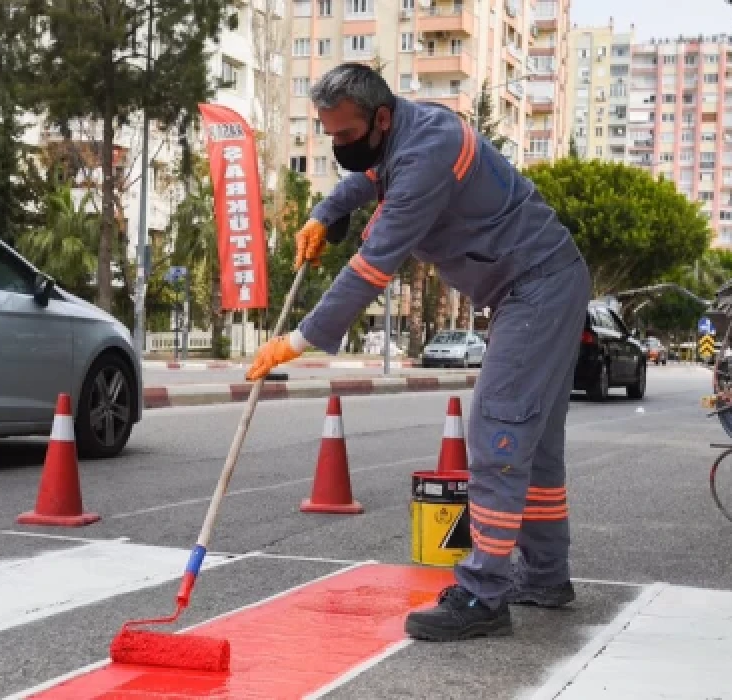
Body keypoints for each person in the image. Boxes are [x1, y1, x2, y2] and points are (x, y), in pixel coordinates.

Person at [244, 63, 592, 643]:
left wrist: (299, 340)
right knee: (535, 447)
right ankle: (547, 578)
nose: (338, 147)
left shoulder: (428, 153)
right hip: (541, 283)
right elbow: (368, 177)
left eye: (346, 136)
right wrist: (325, 213)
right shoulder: (402, 132)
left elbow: (372, 265)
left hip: (536, 286)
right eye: (329, 136)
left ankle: (484, 595)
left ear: (380, 118)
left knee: (498, 434)